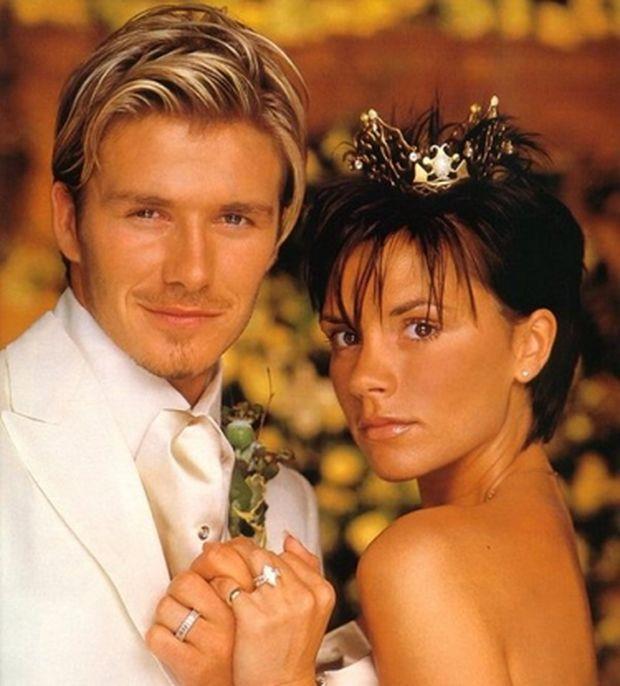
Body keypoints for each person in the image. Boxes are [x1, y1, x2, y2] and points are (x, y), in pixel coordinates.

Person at [161, 97, 598, 685]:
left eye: (421, 328)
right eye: (346, 335)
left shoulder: (423, 558)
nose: (366, 375)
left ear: (530, 345)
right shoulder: (541, 528)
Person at [0, 5, 330, 684]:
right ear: (69, 222)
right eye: (148, 213)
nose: (192, 272)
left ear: (277, 235)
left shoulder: (290, 504)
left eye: (234, 219)